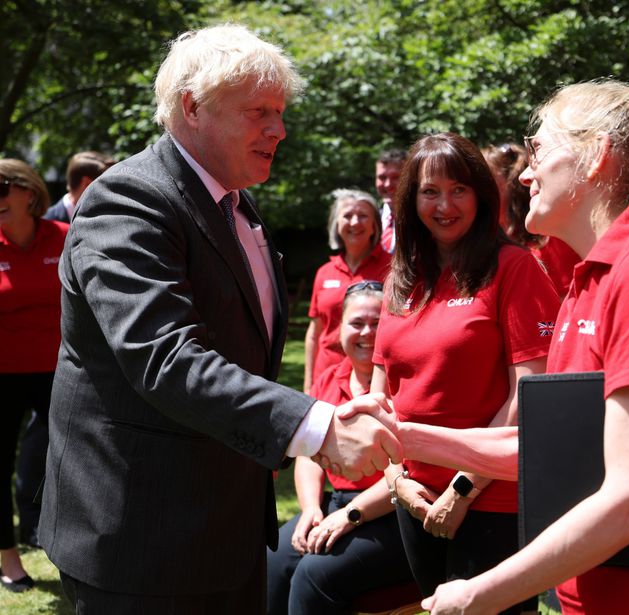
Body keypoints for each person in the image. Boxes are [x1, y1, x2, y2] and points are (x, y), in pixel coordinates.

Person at [39, 23, 400, 614]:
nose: (279, 129)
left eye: (280, 112)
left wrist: (319, 416)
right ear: (192, 107)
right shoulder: (128, 201)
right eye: (259, 111)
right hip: (142, 536)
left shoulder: (234, 200)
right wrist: (317, 427)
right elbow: (164, 356)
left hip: (224, 529)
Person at [398, 80, 629, 614]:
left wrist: (481, 594)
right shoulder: (590, 277)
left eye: (541, 150)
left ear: (596, 156)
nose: (525, 174)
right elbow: (553, 451)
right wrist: (403, 436)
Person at [372, 132, 560, 614]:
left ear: (481, 194)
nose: (444, 204)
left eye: (459, 189)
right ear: (410, 201)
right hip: (414, 498)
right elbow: (382, 396)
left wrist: (462, 489)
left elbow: (529, 394)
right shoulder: (403, 274)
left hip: (491, 500)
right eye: (429, 191)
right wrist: (399, 483)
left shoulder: (514, 268)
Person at [269, 281, 413, 614]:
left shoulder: (405, 381)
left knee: (314, 573)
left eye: (377, 323)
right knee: (274, 559)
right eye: (357, 323)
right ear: (339, 330)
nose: (367, 332)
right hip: (335, 503)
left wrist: (348, 518)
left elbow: (407, 470)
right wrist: (310, 510)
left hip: (391, 511)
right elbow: (308, 453)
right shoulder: (328, 379)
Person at [16, 151, 113, 551]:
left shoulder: (73, 227)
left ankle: (56, 523)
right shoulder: (46, 223)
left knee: (60, 441)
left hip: (68, 362)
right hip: (20, 364)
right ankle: (28, 525)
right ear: (88, 185)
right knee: (36, 441)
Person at [0, 159, 68, 592]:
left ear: (28, 191)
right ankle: (9, 559)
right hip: (2, 377)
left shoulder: (64, 236)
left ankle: (71, 550)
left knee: (73, 463)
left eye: (2, 188)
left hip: (63, 373)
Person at [303, 189, 390, 393]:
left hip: (376, 380)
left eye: (363, 216)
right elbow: (314, 333)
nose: (354, 222)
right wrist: (308, 385)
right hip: (326, 381)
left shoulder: (394, 269)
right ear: (336, 224)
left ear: (374, 225)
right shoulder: (324, 272)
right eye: (347, 216)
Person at [483, 143, 580, 298]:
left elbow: (568, 299)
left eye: (487, 183)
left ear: (512, 187)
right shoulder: (489, 240)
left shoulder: (550, 237)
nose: (478, 192)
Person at [43, 150, 114, 223]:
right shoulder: (47, 224)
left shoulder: (107, 216)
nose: (114, 193)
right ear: (87, 183)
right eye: (109, 185)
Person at [376, 149, 407, 253]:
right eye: (382, 177)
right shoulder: (370, 221)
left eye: (396, 177)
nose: (387, 184)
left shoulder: (425, 220)